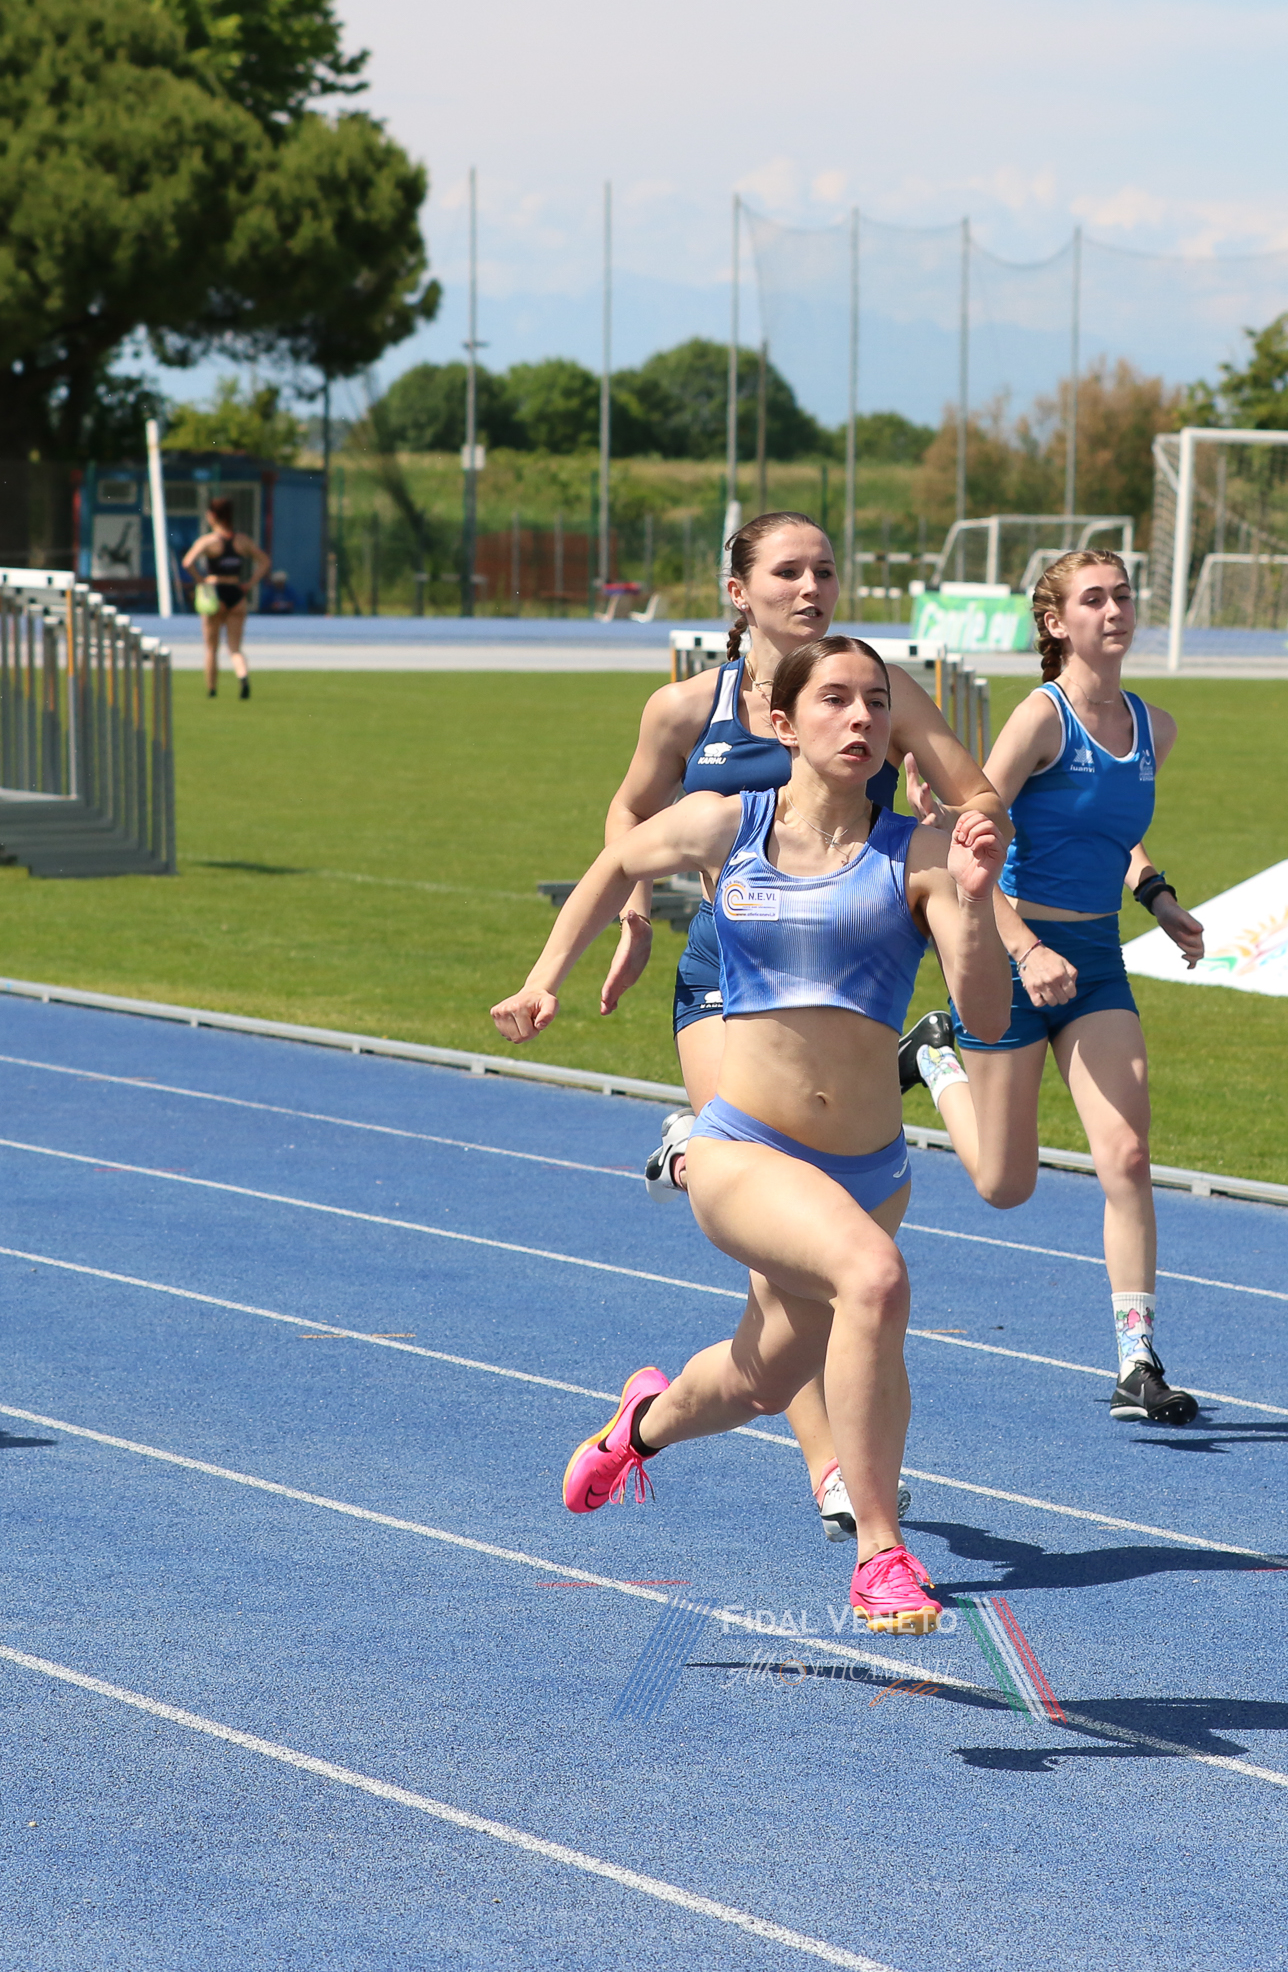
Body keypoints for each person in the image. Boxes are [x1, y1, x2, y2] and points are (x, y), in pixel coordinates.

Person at [493, 635, 1010, 1634]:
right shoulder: (730, 823)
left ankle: (639, 1425)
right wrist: (544, 977)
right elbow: (617, 857)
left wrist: (979, 904)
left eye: (876, 702)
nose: (861, 718)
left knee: (764, 1376)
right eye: (835, 700)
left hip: (870, 1169)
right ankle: (880, 1553)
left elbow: (984, 1017)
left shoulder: (922, 853)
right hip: (743, 1151)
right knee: (874, 1280)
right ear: (783, 722)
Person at [592, 510, 1004, 1542]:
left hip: (847, 967)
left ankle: (652, 1420)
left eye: (826, 568)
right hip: (729, 970)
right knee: (826, 1257)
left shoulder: (877, 687)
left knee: (783, 1337)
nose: (812, 586)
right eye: (788, 571)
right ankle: (844, 1484)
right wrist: (634, 917)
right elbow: (628, 822)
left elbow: (979, 797)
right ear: (739, 591)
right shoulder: (687, 706)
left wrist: (962, 836)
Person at [901, 548, 1211, 1424]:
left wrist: (1158, 897)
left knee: (1128, 1156)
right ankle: (934, 1058)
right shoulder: (1041, 718)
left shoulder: (1154, 728)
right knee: (1005, 1185)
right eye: (1093, 599)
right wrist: (1026, 947)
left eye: (1123, 596)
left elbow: (1113, 832)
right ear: (1055, 622)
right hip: (1010, 956)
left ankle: (1136, 1362)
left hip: (1097, 962)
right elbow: (969, 842)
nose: (1114, 611)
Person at [181, 498, 269, 699]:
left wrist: (201, 581)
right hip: (236, 592)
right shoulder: (242, 541)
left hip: (215, 593)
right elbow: (264, 561)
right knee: (235, 648)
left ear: (213, 515)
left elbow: (187, 563)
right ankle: (242, 676)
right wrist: (249, 583)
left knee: (211, 648)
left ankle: (212, 690)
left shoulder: (209, 541)